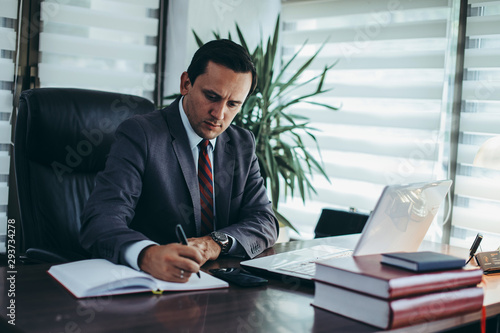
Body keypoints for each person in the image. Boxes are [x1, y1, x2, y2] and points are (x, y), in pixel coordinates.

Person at [80, 39, 279, 282]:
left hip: (217, 282)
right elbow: (101, 219)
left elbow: (265, 220)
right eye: (211, 96)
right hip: (155, 285)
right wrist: (147, 254)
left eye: (233, 104)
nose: (219, 114)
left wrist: (215, 243)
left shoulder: (241, 143)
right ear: (186, 83)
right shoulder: (141, 134)